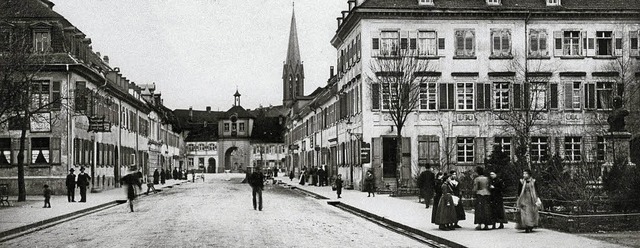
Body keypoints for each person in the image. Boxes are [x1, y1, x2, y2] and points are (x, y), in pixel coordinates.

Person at [517, 169, 540, 233]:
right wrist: (519, 198)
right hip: (524, 198)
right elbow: (519, 191)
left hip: (532, 198)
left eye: (525, 174)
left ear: (529, 174)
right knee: (524, 212)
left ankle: (531, 225)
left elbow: (536, 190)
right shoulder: (521, 181)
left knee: (532, 212)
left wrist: (537, 198)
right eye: (523, 174)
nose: (524, 175)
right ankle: (526, 226)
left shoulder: (533, 181)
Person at [473, 166, 492, 230]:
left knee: (479, 210)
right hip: (487, 194)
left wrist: (473, 193)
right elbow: (489, 186)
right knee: (486, 209)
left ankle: (479, 224)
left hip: (480, 194)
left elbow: (475, 188)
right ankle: (486, 225)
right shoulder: (487, 178)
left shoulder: (477, 179)